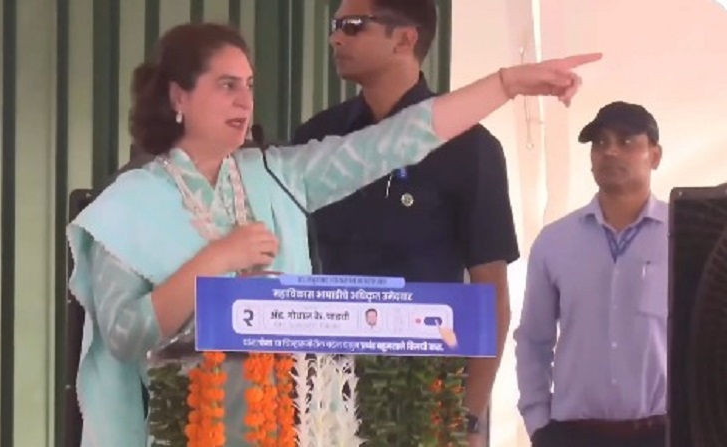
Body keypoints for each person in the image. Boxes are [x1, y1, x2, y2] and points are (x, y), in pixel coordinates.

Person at [66, 21, 599, 447]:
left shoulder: (279, 173)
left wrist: (505, 85)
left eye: (249, 87)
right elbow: (125, 334)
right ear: (178, 96)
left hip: (291, 423)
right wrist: (218, 257)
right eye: (226, 86)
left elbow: (395, 142)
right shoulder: (129, 203)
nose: (244, 101)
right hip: (184, 428)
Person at [291, 0, 517, 443]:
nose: (336, 38)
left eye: (353, 26)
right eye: (335, 26)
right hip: (323, 397)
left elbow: (491, 294)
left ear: (405, 38)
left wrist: (466, 419)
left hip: (425, 397)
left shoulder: (469, 146)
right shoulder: (317, 139)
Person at [514, 101, 667, 447]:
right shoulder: (556, 241)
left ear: (654, 156)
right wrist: (538, 422)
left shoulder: (682, 235)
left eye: (626, 141)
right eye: (600, 142)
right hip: (573, 434)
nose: (610, 151)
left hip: (663, 432)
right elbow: (533, 340)